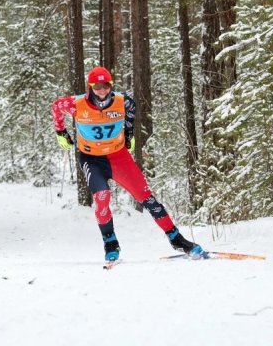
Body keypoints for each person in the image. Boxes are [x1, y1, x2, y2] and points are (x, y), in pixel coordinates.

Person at [51, 66, 203, 262]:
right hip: (92, 159)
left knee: (147, 198)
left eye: (106, 86)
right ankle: (110, 243)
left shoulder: (123, 101)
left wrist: (129, 135)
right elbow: (56, 106)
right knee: (102, 196)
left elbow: (132, 110)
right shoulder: (76, 104)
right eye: (97, 87)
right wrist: (61, 133)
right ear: (90, 87)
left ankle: (177, 239)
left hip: (118, 157)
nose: (102, 91)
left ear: (110, 85)